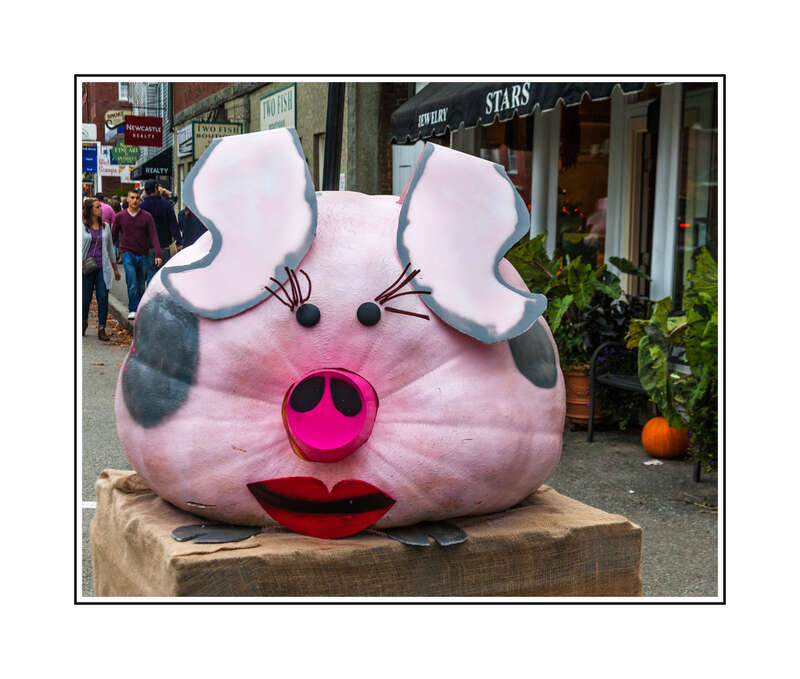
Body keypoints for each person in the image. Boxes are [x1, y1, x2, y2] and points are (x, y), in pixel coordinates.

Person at [112, 189, 162, 320]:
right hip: (127, 253)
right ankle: (133, 308)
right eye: (132, 198)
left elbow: (154, 235)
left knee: (141, 284)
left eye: (137, 198)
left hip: (143, 254)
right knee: (132, 281)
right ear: (127, 199)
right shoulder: (120, 216)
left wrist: (158, 254)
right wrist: (110, 253)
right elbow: (113, 235)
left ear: (140, 200)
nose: (135, 200)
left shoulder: (147, 216)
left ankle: (139, 308)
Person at [82, 198, 121, 341]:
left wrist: (115, 269)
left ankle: (101, 328)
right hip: (86, 269)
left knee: (103, 297)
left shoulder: (106, 227)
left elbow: (110, 249)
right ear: (90, 210)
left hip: (102, 268)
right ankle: (83, 321)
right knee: (85, 298)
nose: (101, 209)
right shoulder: (81, 227)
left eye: (100, 206)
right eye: (97, 207)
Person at [141, 179, 182, 270]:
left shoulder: (141, 207)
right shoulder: (166, 205)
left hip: (147, 247)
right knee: (163, 273)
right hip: (164, 245)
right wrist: (179, 242)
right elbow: (173, 225)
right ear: (156, 189)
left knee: (150, 274)